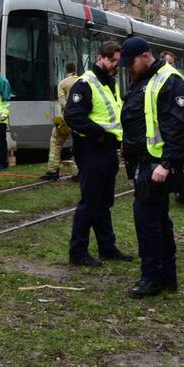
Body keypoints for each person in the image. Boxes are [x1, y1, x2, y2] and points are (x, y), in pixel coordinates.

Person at [121, 37, 184, 297]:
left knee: (148, 223)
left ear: (145, 56)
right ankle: (165, 277)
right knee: (158, 221)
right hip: (147, 162)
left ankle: (151, 278)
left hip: (156, 164)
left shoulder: (169, 80)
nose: (127, 68)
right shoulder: (146, 78)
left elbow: (178, 127)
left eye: (130, 63)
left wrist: (166, 164)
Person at [63, 41, 131, 266]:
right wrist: (99, 134)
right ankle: (78, 252)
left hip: (107, 149)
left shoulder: (109, 82)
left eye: (117, 61)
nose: (115, 65)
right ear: (100, 57)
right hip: (92, 148)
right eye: (112, 60)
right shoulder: (86, 83)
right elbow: (73, 116)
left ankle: (107, 247)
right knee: (91, 202)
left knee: (103, 202)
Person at [42, 63, 79, 181]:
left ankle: (53, 170)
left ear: (66, 70)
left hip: (67, 118)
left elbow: (62, 102)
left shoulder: (62, 83)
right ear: (75, 69)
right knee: (79, 143)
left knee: (56, 141)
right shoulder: (82, 81)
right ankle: (78, 172)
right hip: (81, 119)